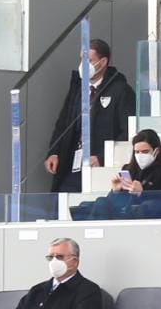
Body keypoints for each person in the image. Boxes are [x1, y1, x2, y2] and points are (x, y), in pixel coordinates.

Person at [44, 39, 137, 194]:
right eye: (82, 59)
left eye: (89, 60)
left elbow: (127, 130)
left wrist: (102, 157)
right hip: (74, 162)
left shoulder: (121, 91)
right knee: (61, 204)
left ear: (103, 62)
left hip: (100, 166)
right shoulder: (78, 89)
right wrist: (54, 152)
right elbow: (63, 123)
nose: (83, 64)